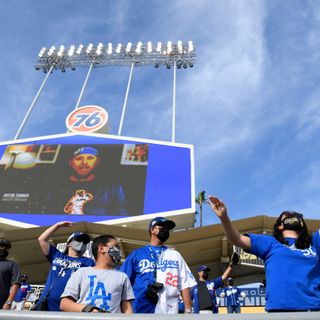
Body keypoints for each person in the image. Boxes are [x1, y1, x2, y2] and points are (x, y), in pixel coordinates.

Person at [208, 195, 320, 312]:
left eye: (294, 215)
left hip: (314, 308)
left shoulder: (314, 242)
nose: (291, 215)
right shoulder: (271, 243)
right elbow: (236, 239)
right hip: (280, 310)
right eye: (287, 215)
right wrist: (224, 217)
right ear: (280, 226)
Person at [121, 216, 197, 314]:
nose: (165, 229)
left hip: (169, 312)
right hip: (141, 310)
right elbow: (124, 282)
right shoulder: (136, 254)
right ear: (152, 230)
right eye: (162, 226)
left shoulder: (175, 255)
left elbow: (185, 283)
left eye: (167, 228)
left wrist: (188, 310)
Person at [61, 235, 134, 313]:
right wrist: (89, 309)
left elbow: (127, 308)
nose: (119, 251)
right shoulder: (81, 273)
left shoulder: (122, 276)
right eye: (116, 246)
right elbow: (64, 303)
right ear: (101, 248)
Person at [36, 221, 95, 311]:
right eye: (79, 240)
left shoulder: (88, 262)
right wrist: (57, 225)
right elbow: (42, 239)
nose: (82, 243)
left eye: (85, 242)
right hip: (45, 305)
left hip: (68, 307)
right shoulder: (56, 255)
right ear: (69, 243)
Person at [62, 146, 126, 215]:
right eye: (79, 158)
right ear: (70, 162)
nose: (84, 162)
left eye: (90, 158)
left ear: (97, 161)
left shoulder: (112, 187)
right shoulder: (55, 187)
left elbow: (122, 215)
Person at [0, 238, 20, 310]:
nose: (3, 249)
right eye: (1, 246)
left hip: (2, 304)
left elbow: (16, 284)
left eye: (5, 247)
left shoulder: (12, 264)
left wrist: (9, 302)